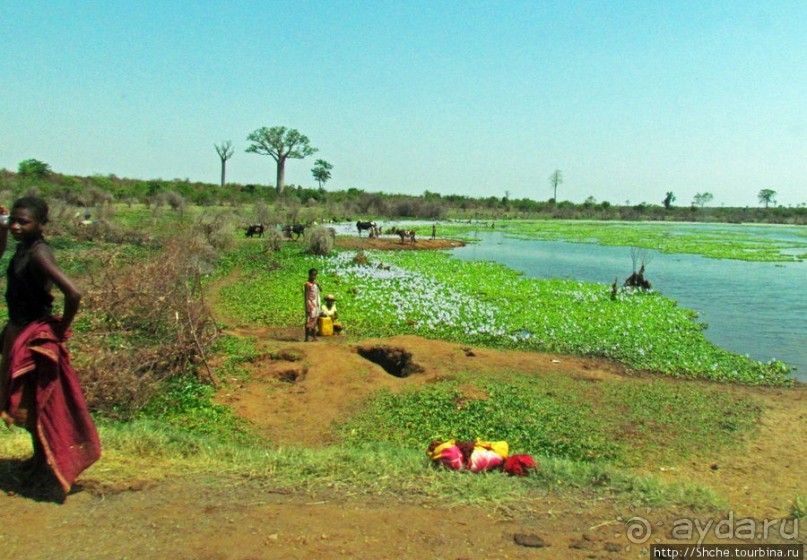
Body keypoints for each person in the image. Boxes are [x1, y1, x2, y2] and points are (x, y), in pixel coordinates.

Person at [0, 196, 101, 493]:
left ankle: (47, 463)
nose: (17, 226)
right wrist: (3, 228)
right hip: (17, 330)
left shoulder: (39, 253)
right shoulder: (24, 248)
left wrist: (60, 331)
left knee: (38, 399)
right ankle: (39, 458)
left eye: (23, 222)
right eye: (14, 220)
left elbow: (74, 293)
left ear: (42, 225)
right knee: (28, 398)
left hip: (32, 334)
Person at [303, 268, 321, 341]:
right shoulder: (307, 284)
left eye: (315, 275)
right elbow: (306, 296)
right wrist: (307, 306)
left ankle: (314, 337)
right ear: (309, 275)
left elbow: (321, 289)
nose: (314, 277)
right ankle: (306, 338)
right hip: (310, 304)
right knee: (309, 320)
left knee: (315, 320)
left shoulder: (315, 284)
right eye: (312, 275)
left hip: (316, 304)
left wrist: (317, 284)